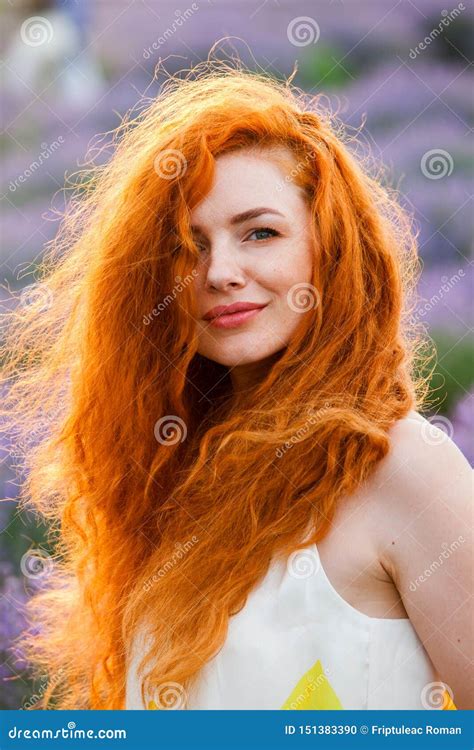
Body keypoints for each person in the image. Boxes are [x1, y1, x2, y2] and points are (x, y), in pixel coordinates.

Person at [2, 61, 472, 712]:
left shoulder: (404, 468)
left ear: (327, 249)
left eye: (260, 233)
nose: (219, 271)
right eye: (189, 247)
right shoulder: (172, 480)